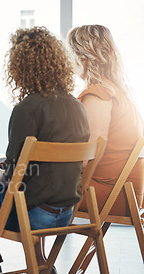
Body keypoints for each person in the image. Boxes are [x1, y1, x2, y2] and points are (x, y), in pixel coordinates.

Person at [0, 27, 90, 274]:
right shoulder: (78, 107)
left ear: (20, 67)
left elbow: (14, 173)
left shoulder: (26, 109)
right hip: (66, 212)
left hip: (33, 217)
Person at [67, 25, 144, 216]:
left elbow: (88, 158)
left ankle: (22, 242)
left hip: (106, 195)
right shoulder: (119, 92)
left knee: (31, 188)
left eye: (70, 53)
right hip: (125, 193)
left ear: (82, 57)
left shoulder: (98, 95)